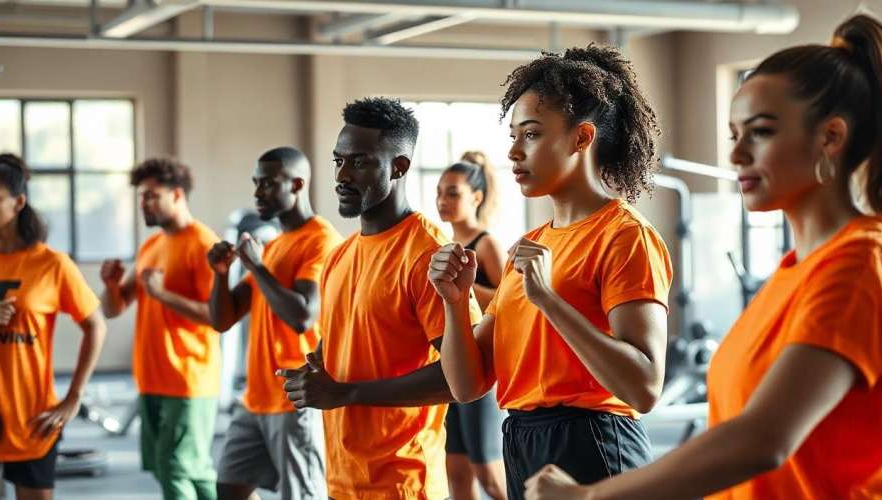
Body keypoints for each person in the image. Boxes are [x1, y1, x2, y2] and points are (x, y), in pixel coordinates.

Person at [523, 14, 882, 500]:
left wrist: (592, 496)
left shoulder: (864, 268)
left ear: (830, 137)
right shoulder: (794, 274)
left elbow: (762, 440)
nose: (737, 154)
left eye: (760, 132)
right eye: (734, 134)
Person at [429, 44, 672, 499]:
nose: (514, 151)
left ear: (582, 138)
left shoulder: (624, 236)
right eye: (515, 135)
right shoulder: (530, 245)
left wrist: (549, 301)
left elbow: (644, 387)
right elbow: (465, 385)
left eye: (532, 134)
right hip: (522, 438)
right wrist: (455, 301)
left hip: (594, 442)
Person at [280, 97, 482, 499]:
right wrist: (314, 372)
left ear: (399, 167)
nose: (342, 174)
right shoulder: (341, 254)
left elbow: (461, 378)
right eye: (339, 160)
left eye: (360, 162)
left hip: (404, 483)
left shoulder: (426, 253)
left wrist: (346, 393)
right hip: (343, 479)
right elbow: (346, 345)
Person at [0, 154, 106, 500]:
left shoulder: (51, 264)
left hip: (33, 416)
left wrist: (73, 397)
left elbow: (95, 326)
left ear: (19, 202)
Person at [209, 147, 341, 500]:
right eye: (256, 183)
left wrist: (256, 268)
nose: (257, 193)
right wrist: (221, 276)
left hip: (296, 396)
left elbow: (302, 315)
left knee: (300, 495)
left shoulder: (320, 240)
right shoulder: (275, 245)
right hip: (256, 397)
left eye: (268, 183)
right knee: (229, 486)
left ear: (297, 184)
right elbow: (222, 320)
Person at [100, 158, 220, 500]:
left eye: (152, 196)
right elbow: (113, 309)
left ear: (177, 194)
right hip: (151, 379)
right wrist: (110, 285)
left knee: (176, 467)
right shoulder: (151, 246)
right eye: (141, 197)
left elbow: (217, 316)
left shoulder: (202, 244)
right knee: (185, 470)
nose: (144, 204)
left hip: (189, 380)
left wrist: (162, 295)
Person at [435, 153, 507, 499]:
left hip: (480, 369)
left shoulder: (486, 244)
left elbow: (513, 300)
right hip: (449, 368)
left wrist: (463, 286)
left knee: (490, 477)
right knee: (456, 475)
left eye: (452, 193)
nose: (442, 201)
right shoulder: (440, 246)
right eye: (439, 193)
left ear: (476, 198)